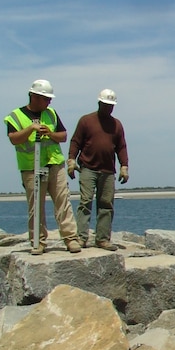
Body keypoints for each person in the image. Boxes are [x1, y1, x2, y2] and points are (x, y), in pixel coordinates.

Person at [5, 79, 82, 254]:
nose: (49, 102)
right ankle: (38, 241)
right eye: (46, 99)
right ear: (34, 96)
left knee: (63, 201)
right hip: (31, 166)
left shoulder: (52, 114)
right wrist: (31, 129)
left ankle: (70, 238)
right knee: (36, 205)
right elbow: (13, 138)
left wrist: (50, 133)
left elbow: (62, 136)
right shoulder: (16, 116)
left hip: (54, 163)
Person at [67, 88, 129, 250]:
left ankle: (102, 239)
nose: (108, 108)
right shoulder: (86, 121)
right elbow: (75, 142)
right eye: (105, 104)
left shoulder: (116, 125)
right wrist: (71, 160)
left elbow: (121, 147)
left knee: (106, 204)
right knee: (85, 202)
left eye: (111, 105)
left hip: (108, 171)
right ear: (99, 103)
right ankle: (81, 238)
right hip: (88, 168)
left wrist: (124, 166)